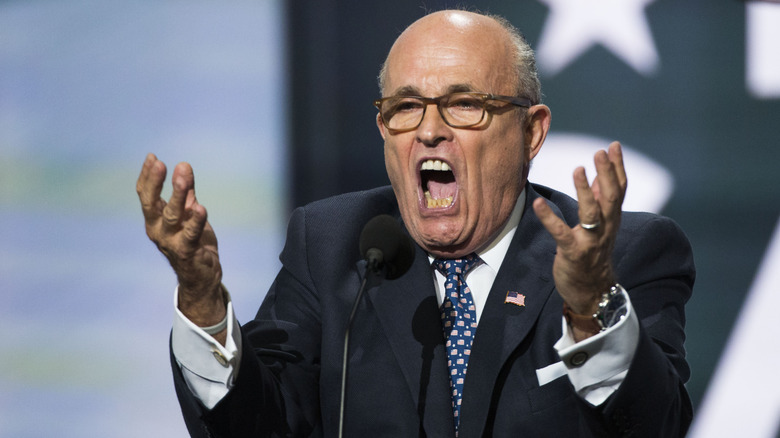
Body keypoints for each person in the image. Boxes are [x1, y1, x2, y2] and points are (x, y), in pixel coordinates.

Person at [136, 9, 694, 438]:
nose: (429, 131)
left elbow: (656, 426)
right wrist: (204, 303)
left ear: (531, 133)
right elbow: (260, 423)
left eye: (463, 104)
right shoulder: (334, 243)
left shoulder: (625, 256)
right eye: (405, 108)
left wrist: (590, 308)